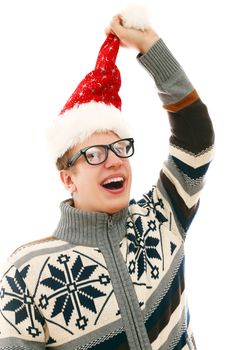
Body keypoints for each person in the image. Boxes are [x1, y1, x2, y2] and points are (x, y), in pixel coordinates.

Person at [0, 9, 214, 350]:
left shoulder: (162, 215)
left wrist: (151, 47)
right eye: (95, 154)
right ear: (68, 179)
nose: (114, 161)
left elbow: (196, 140)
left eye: (119, 148)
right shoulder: (26, 271)